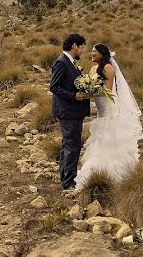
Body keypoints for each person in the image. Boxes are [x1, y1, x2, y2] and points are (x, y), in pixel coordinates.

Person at [75, 43, 143, 189]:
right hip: (99, 107)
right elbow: (91, 85)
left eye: (94, 51)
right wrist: (86, 89)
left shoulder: (108, 68)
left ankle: (113, 173)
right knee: (100, 136)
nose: (91, 53)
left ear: (101, 54)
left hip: (108, 107)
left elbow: (107, 90)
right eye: (91, 51)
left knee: (108, 135)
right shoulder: (93, 69)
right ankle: (96, 173)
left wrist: (88, 94)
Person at [49, 33, 89, 191]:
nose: (83, 51)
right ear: (74, 46)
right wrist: (75, 96)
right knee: (72, 145)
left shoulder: (70, 62)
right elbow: (54, 87)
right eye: (82, 47)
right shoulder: (62, 62)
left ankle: (66, 178)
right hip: (68, 111)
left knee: (69, 144)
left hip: (73, 111)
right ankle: (68, 182)